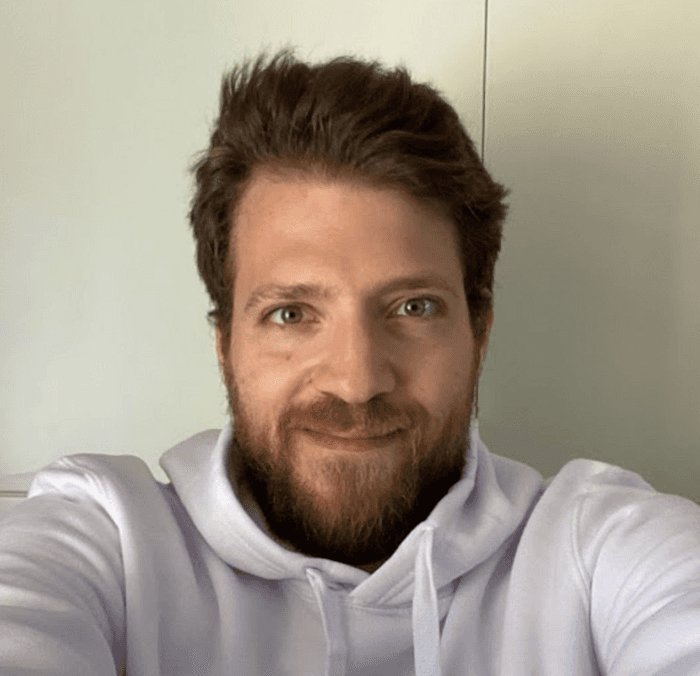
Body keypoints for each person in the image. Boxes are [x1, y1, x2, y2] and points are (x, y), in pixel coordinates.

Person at [1, 50, 699, 676]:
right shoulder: (111, 543)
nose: (357, 382)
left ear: (480, 331)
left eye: (413, 308)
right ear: (224, 344)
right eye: (290, 314)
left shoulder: (601, 547)